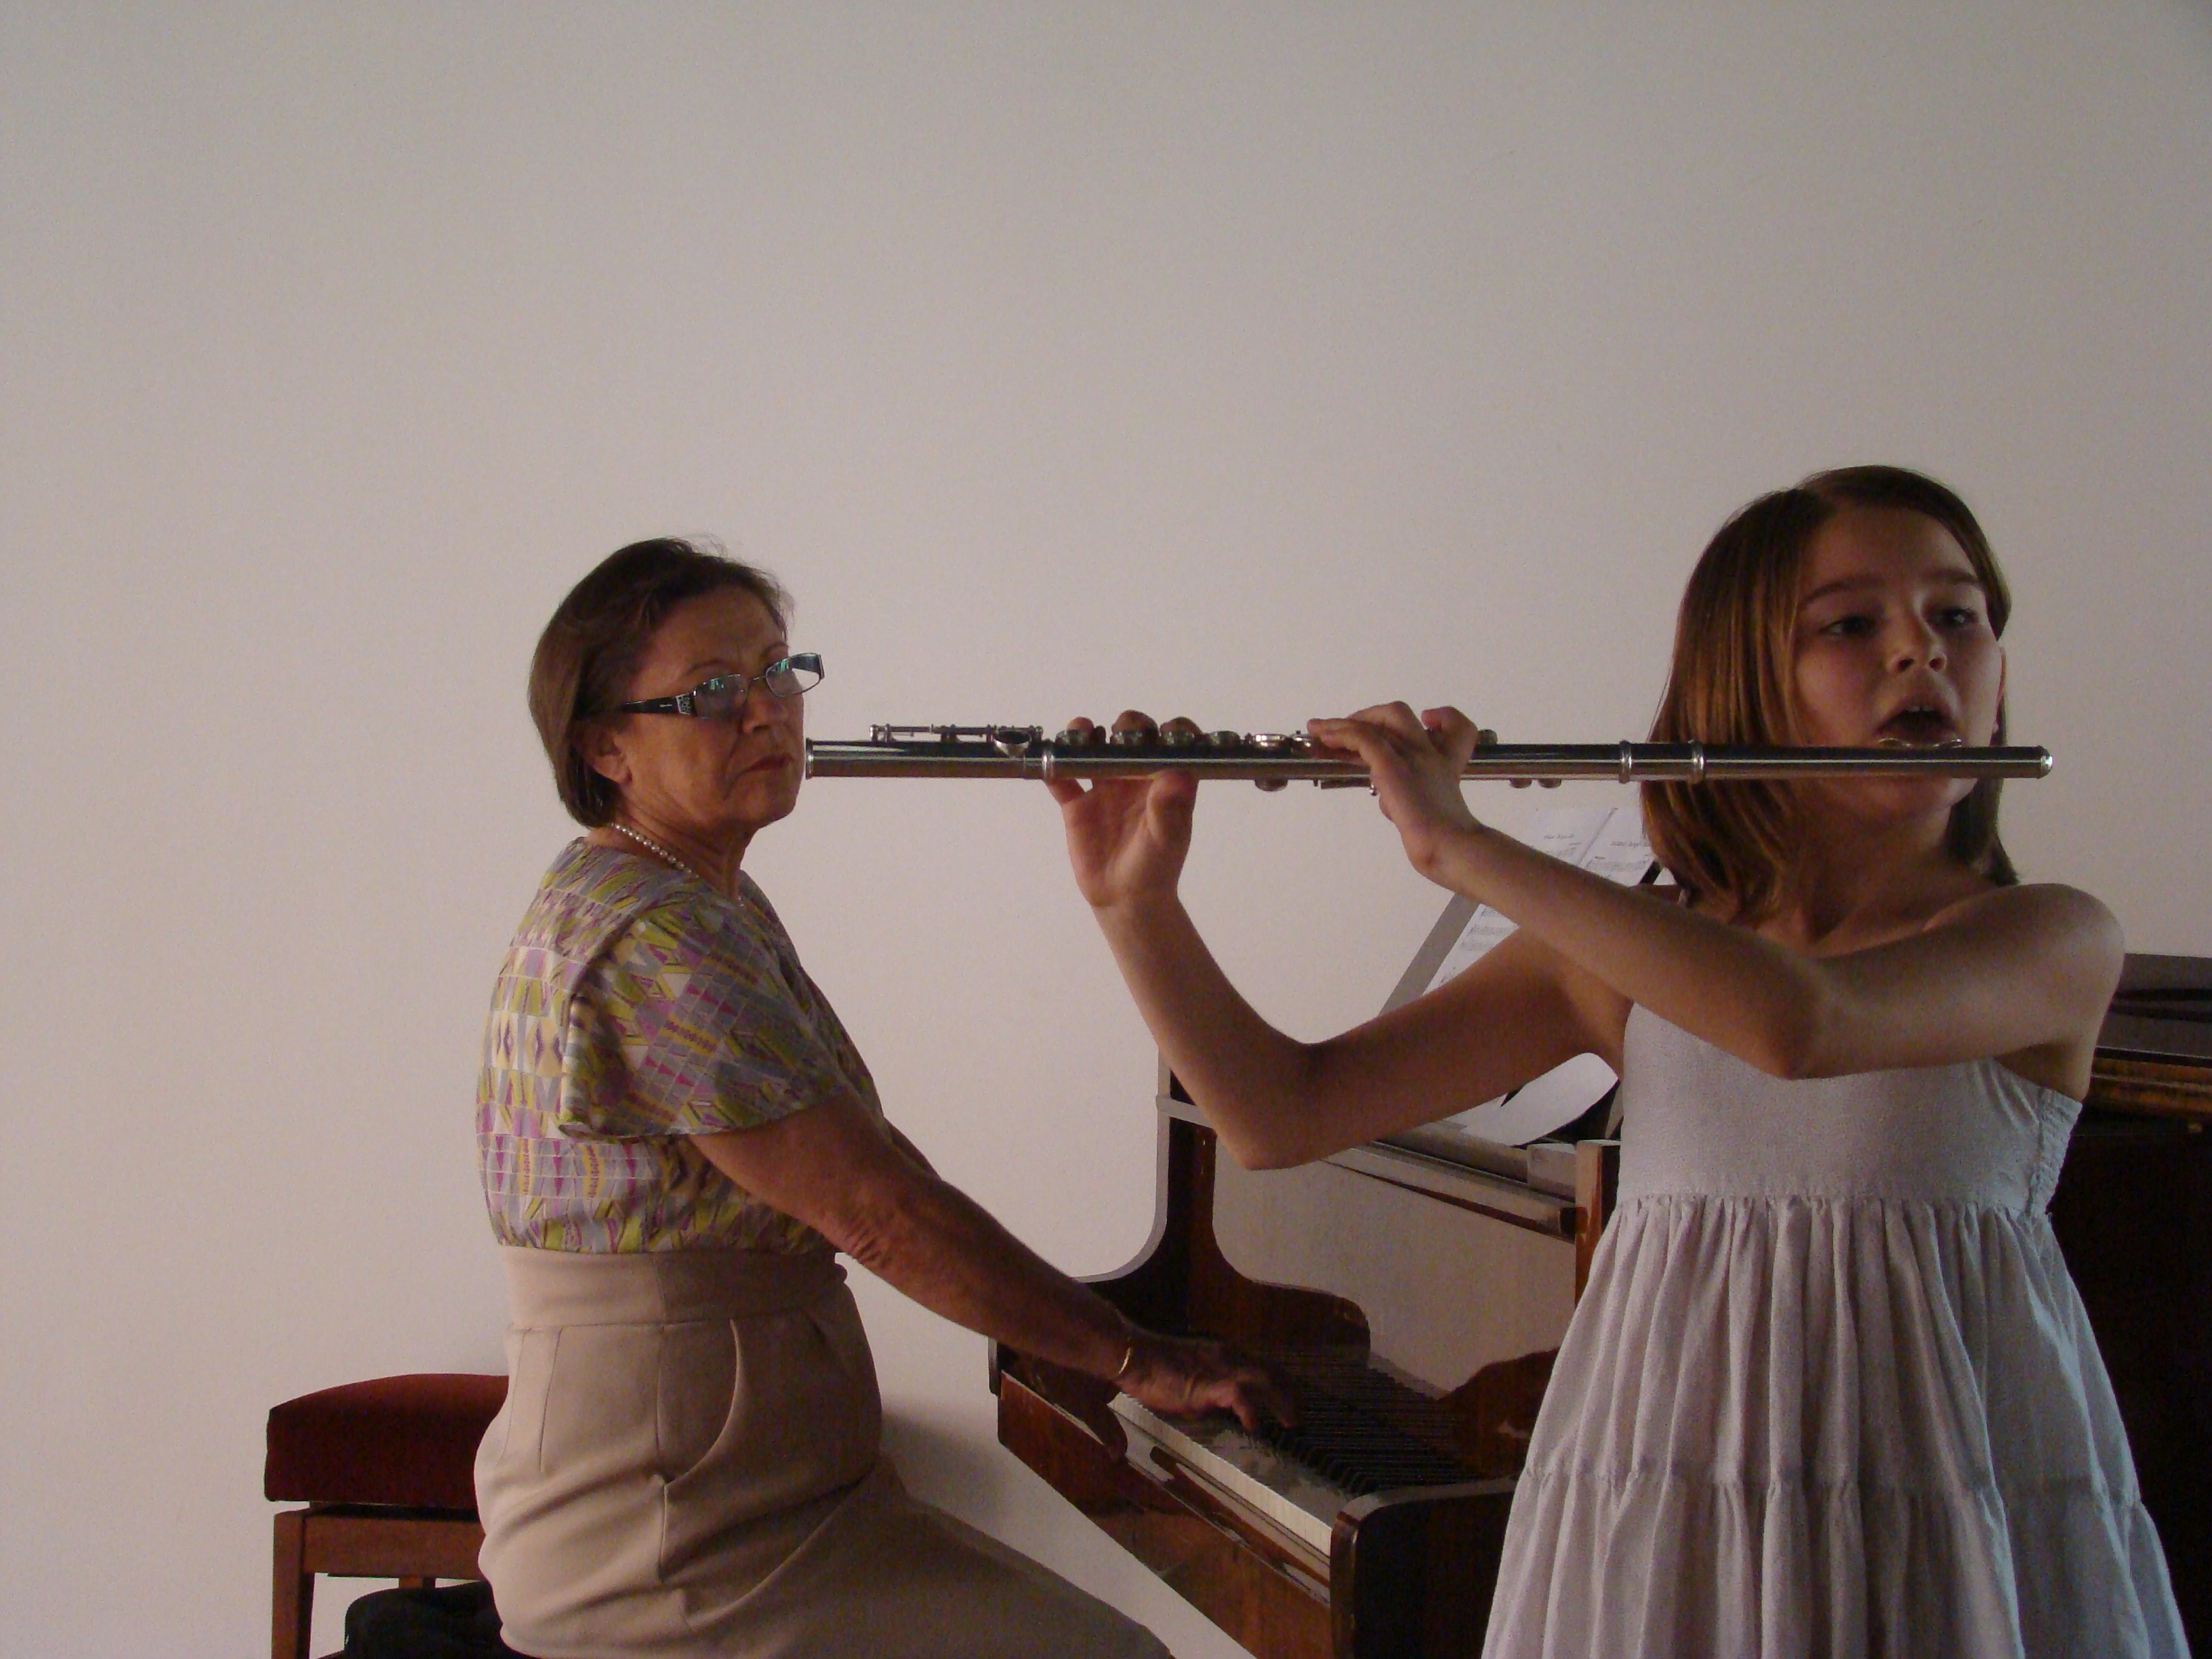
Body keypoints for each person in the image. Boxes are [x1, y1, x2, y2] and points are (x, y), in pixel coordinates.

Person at [1048, 468, 2187, 1658]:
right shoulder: (1624, 956)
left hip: (1930, 1495)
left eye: (1958, 614)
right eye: (1852, 624)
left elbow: (1805, 1025)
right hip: (1670, 1491)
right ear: (1745, 689)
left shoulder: (2052, 938)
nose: (1922, 651)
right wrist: (1138, 907)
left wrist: (1459, 844)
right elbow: (1279, 1115)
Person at [474, 537, 1286, 1659]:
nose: (767, 711)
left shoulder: (696, 895)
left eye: (777, 670)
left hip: (754, 1499)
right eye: (712, 692)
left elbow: (878, 1168)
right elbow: (880, 1215)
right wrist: (1135, 1360)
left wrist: (1099, 1340)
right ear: (604, 745)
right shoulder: (654, 931)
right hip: (671, 1543)